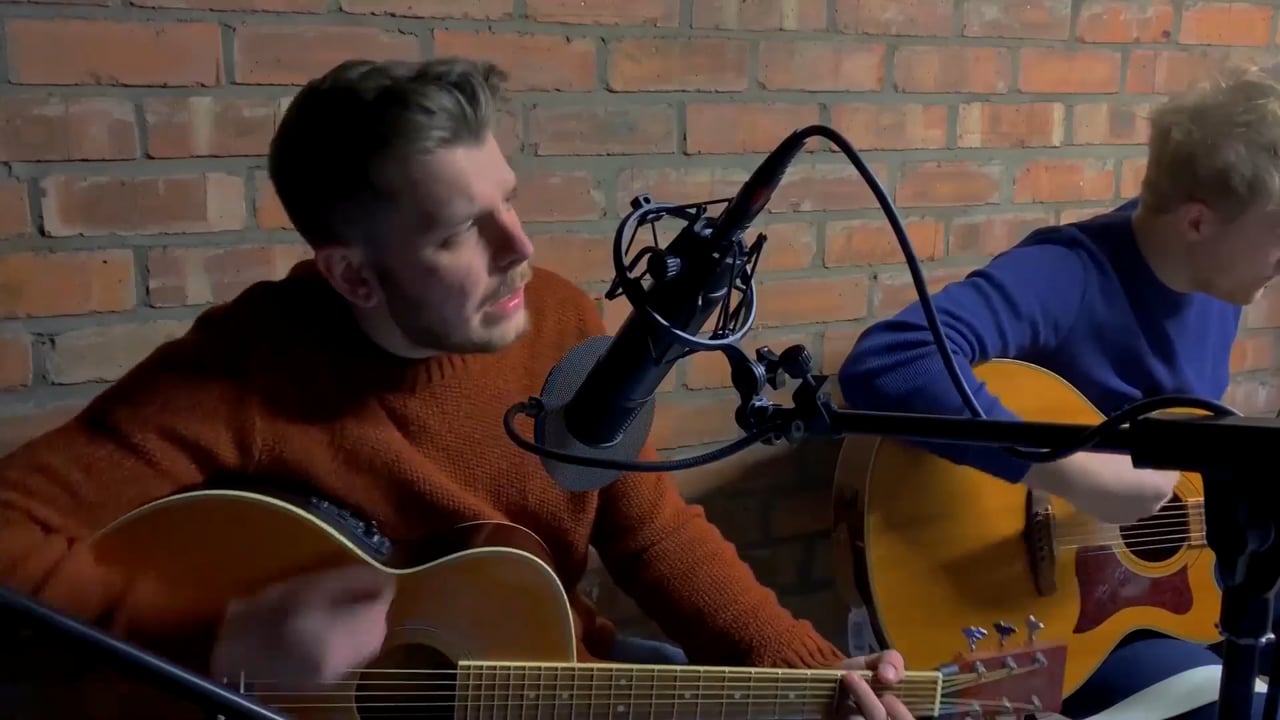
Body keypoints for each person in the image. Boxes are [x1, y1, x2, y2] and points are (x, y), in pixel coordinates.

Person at [0, 57, 912, 719]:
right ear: (354, 274)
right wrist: (217, 635)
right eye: (459, 230)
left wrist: (813, 677)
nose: (519, 247)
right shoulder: (242, 369)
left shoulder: (557, 320)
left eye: (507, 198)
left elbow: (652, 532)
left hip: (551, 681)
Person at [837, 65, 1280, 719]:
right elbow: (889, 361)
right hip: (1042, 622)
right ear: (1197, 222)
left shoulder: (1220, 281)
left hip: (1170, 597)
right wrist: (1073, 471)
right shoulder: (1067, 274)